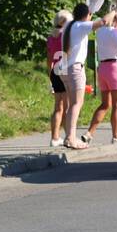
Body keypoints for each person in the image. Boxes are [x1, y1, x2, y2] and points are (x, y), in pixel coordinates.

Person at [82, 5, 117, 146]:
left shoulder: (100, 31)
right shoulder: (115, 32)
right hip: (115, 68)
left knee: (105, 104)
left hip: (102, 67)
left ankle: (89, 133)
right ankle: (116, 136)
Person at [59, 3, 106, 151]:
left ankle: (69, 137)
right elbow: (103, 22)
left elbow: (91, 22)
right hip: (75, 69)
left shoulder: (70, 25)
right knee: (76, 104)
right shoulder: (80, 26)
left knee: (71, 105)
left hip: (64, 69)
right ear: (86, 15)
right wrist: (115, 11)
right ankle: (71, 138)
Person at [47, 9, 71, 147]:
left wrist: (50, 76)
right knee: (68, 107)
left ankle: (54, 138)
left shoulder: (51, 37)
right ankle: (69, 136)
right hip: (66, 70)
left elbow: (49, 59)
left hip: (55, 71)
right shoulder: (66, 36)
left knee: (58, 107)